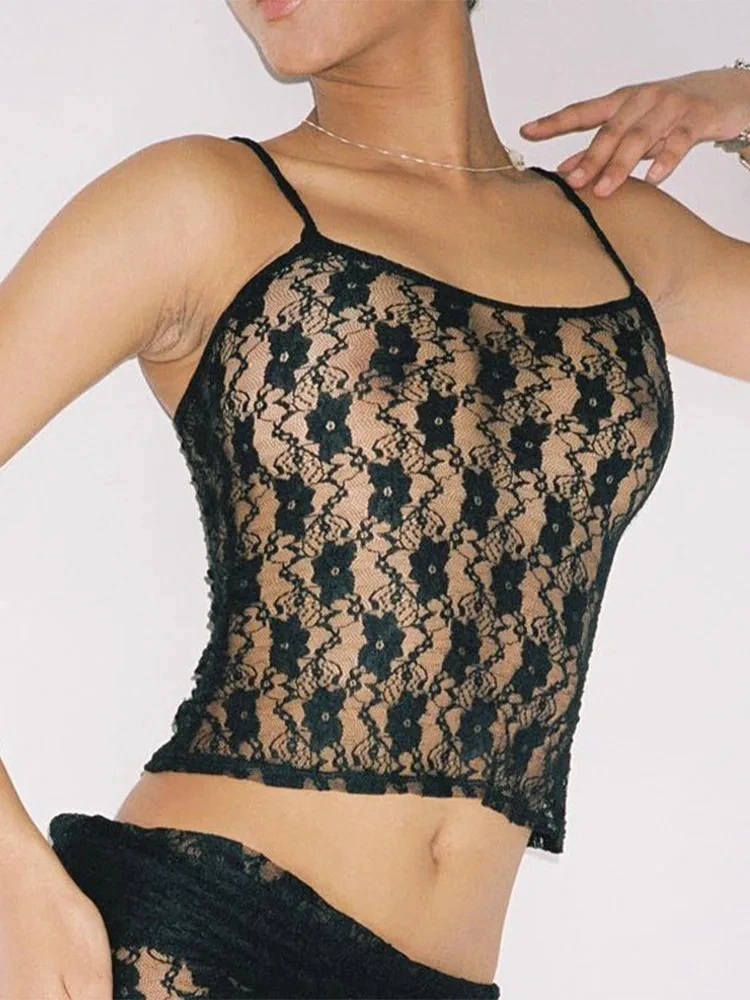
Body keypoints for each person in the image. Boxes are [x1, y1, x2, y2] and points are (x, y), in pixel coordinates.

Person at [1, 1, 748, 998]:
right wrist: (15, 883)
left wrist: (740, 97)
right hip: (199, 947)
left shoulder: (617, 232)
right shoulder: (203, 201)